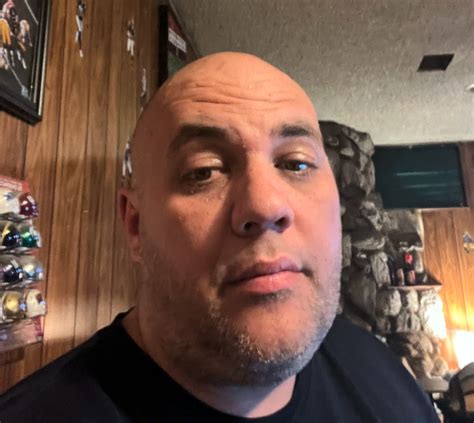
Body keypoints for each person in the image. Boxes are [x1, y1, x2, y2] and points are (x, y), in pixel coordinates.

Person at [0, 52, 439, 422]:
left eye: (296, 164)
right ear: (135, 225)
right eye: (204, 171)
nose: (265, 206)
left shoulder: (384, 377)